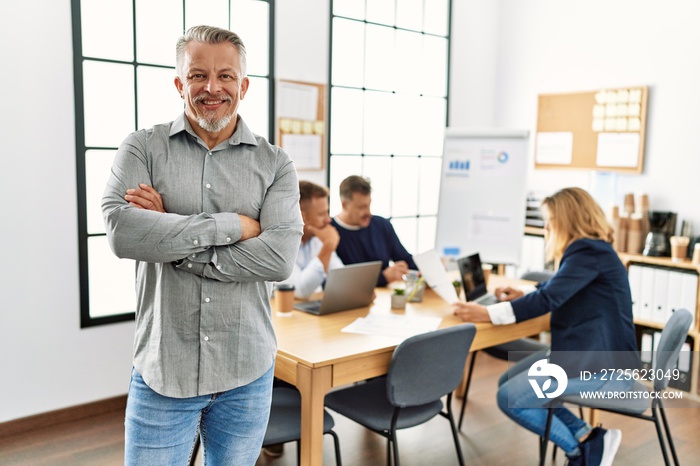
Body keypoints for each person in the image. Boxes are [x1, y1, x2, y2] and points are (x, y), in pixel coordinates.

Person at [101, 25, 303, 465]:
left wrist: (170, 234)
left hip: (246, 367)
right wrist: (234, 225)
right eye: (198, 75)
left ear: (243, 86)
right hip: (164, 370)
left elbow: (279, 258)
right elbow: (123, 233)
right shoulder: (142, 148)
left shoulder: (275, 163)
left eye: (226, 76)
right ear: (179, 84)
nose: (212, 88)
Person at [452, 187, 639, 466]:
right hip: (589, 354)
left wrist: (489, 313)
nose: (547, 226)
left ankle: (582, 453)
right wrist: (524, 295)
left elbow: (550, 297)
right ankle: (588, 436)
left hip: (602, 367)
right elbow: (559, 287)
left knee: (509, 397)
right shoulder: (592, 251)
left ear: (568, 219)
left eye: (551, 219)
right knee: (508, 382)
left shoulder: (587, 251)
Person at [331, 175, 417, 287]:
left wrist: (423, 273)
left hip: (383, 298)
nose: (368, 212)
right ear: (345, 205)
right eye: (361, 207)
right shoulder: (331, 232)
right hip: (352, 300)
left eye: (369, 205)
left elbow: (405, 259)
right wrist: (384, 277)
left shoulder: (381, 225)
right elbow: (341, 281)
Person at [278, 180, 344, 298]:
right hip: (285, 313)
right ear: (301, 216)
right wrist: (329, 246)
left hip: (309, 310)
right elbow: (301, 291)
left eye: (327, 212)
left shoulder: (316, 239)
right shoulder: (280, 245)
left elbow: (341, 276)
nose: (328, 220)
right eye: (321, 214)